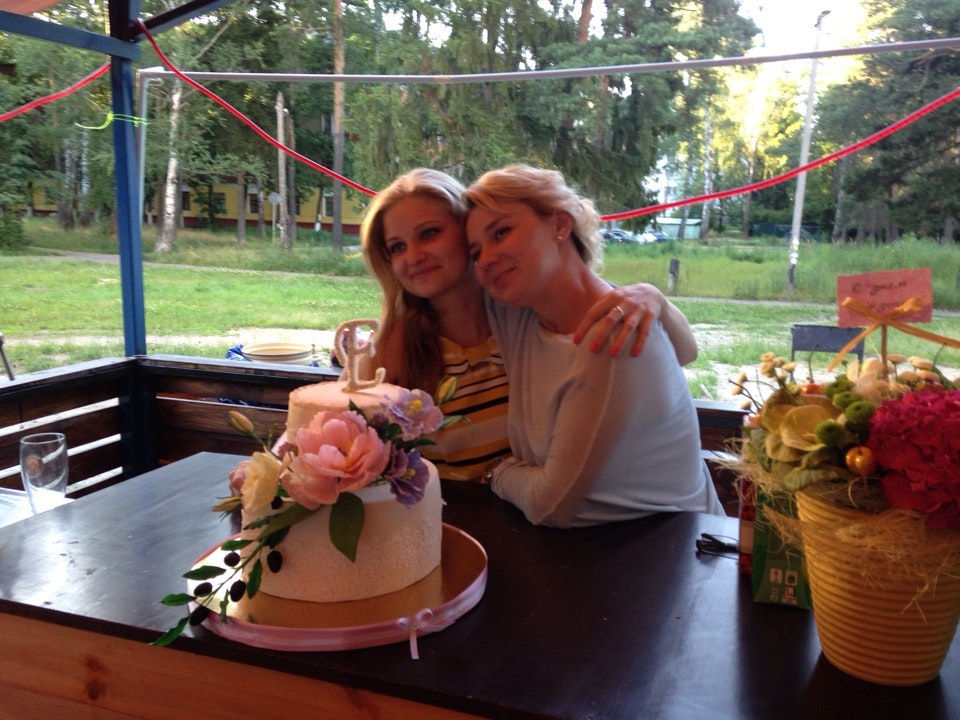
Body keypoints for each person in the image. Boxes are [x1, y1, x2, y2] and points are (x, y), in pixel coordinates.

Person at [359, 168, 697, 483]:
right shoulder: (399, 344)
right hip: (453, 521)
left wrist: (657, 299)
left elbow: (683, 354)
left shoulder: (522, 314)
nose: (413, 256)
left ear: (465, 232)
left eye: (429, 233)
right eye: (397, 247)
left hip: (549, 514)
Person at [464, 163, 722, 526]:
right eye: (476, 253)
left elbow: (550, 506)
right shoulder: (519, 315)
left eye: (501, 232)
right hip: (587, 548)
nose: (487, 259)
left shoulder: (615, 330)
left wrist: (497, 472)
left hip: (676, 546)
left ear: (559, 224)